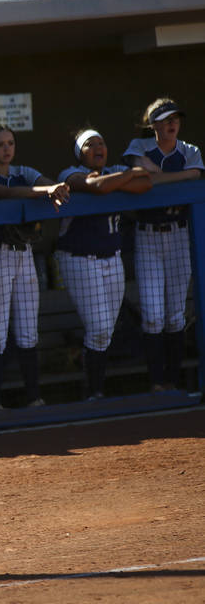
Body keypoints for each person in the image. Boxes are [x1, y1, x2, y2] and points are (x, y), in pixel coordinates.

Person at [56, 129, 152, 399]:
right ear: (79, 153)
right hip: (79, 259)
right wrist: (127, 176)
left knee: (105, 331)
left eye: (102, 142)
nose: (98, 147)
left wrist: (125, 176)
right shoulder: (68, 173)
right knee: (98, 328)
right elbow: (97, 187)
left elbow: (146, 182)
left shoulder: (115, 169)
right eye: (90, 144)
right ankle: (94, 392)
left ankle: (95, 388)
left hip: (112, 258)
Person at [0, 126, 69, 410]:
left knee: (29, 329)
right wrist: (45, 191)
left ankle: (34, 397)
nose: (6, 148)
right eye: (0, 144)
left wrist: (53, 190)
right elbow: (5, 192)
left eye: (10, 143)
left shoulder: (25, 170)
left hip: (24, 254)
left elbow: (47, 182)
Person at [123, 99, 203, 390]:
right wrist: (166, 179)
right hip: (148, 235)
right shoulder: (139, 146)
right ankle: (158, 382)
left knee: (175, 314)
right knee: (153, 315)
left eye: (176, 119)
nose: (172, 124)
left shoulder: (190, 150)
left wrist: (157, 177)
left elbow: (194, 175)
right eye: (166, 119)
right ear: (153, 124)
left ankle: (174, 379)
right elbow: (137, 171)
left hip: (179, 234)